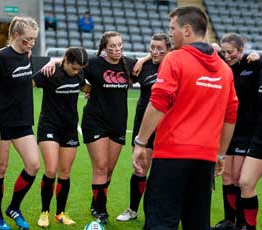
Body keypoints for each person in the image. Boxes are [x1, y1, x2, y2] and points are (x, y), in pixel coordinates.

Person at [132, 6, 239, 229]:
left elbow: (158, 103)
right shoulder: (225, 70)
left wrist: (141, 142)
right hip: (205, 159)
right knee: (196, 222)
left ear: (187, 30)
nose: (170, 33)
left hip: (172, 154)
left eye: (173, 28)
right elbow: (231, 116)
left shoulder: (175, 59)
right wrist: (220, 154)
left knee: (161, 221)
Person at [81, 31, 138, 225]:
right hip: (95, 121)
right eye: (112, 46)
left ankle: (95, 203)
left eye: (119, 45)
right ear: (104, 48)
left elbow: (150, 66)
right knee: (101, 167)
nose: (116, 49)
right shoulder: (94, 63)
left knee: (110, 170)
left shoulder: (129, 63)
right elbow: (70, 68)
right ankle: (101, 210)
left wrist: (147, 56)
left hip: (118, 123)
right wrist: (86, 89)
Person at [212, 33, 262, 230]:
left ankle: (243, 223)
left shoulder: (253, 65)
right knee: (226, 177)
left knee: (238, 178)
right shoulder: (221, 65)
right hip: (226, 129)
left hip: (247, 131)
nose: (227, 55)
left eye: (231, 52)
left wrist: (258, 56)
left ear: (241, 50)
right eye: (224, 51)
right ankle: (229, 221)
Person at [116, 33, 172, 222]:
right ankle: (132, 210)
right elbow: (110, 63)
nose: (155, 52)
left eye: (160, 49)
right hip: (143, 123)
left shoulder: (175, 64)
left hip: (168, 126)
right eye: (152, 48)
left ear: (169, 49)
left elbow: (212, 47)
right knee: (140, 169)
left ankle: (157, 212)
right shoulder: (143, 66)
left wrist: (146, 57)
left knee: (162, 172)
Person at [33, 47, 91, 228]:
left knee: (65, 173)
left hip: (70, 128)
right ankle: (45, 212)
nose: (76, 72)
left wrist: (91, 91)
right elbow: (27, 84)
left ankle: (60, 213)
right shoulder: (50, 72)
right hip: (49, 126)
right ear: (65, 60)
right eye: (73, 68)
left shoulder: (79, 74)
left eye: (79, 69)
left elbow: (85, 86)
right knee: (51, 170)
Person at [0, 16, 40, 230]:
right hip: (2, 122)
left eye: (33, 40)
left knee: (33, 165)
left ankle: (14, 207)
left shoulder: (27, 55)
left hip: (22, 121)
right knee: (0, 169)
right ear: (15, 35)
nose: (31, 44)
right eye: (27, 40)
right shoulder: (2, 57)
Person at [239, 41, 262, 230]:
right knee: (245, 183)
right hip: (259, 139)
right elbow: (234, 58)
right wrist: (251, 54)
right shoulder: (261, 73)